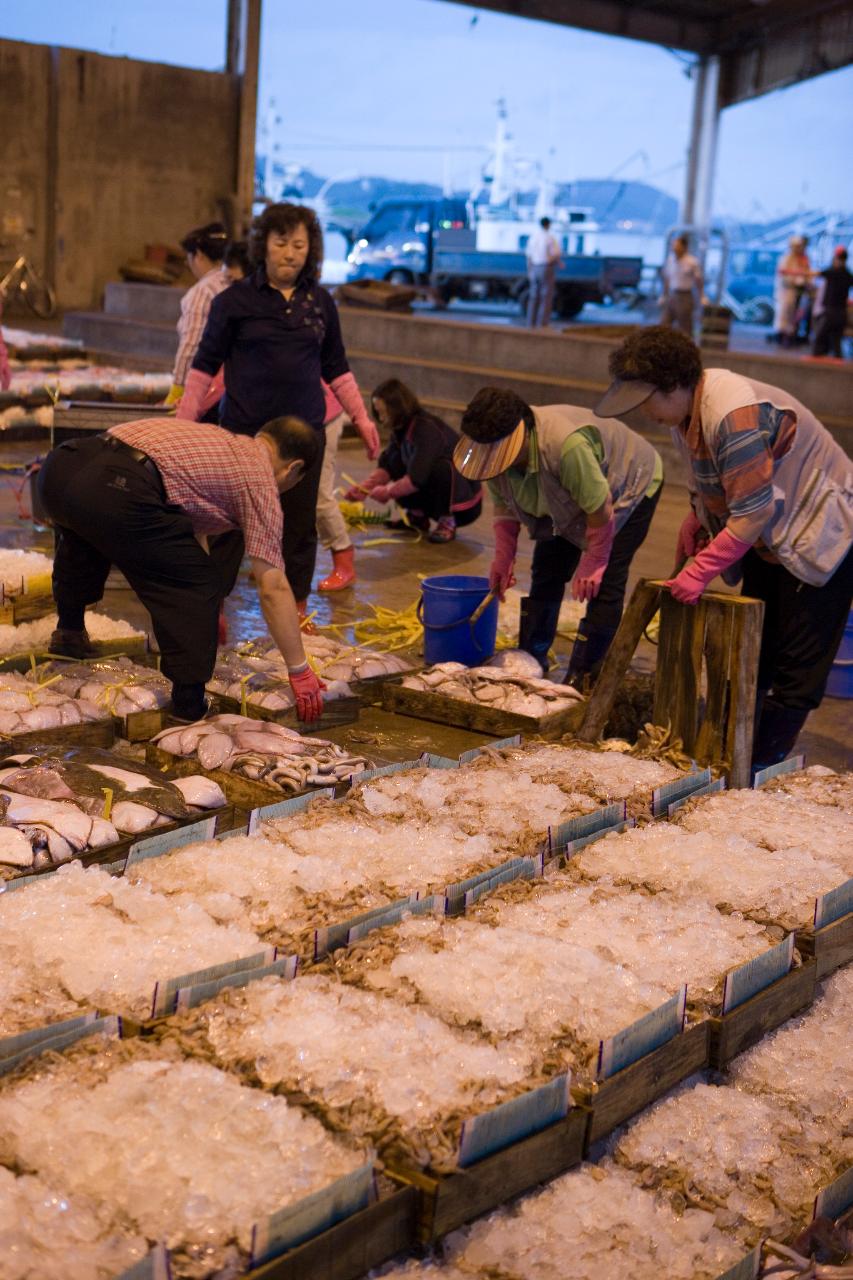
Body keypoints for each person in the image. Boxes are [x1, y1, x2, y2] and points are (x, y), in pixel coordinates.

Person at [597, 325, 853, 770]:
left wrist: (700, 571)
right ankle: (731, 754)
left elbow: (752, 513)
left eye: (646, 400)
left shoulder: (733, 415)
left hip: (820, 534)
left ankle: (752, 766)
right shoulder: (687, 413)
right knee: (756, 650)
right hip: (770, 537)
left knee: (796, 668)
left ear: (674, 385)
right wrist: (698, 517)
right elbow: (714, 481)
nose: (643, 413)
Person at [36, 416, 325, 724]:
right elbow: (272, 586)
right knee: (198, 583)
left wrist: (204, 616)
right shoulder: (260, 478)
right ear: (294, 469)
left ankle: (69, 633)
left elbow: (183, 536)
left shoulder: (221, 442)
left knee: (87, 535)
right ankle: (188, 707)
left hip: (60, 470)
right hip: (116, 486)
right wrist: (299, 668)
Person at [176, 203, 380, 624]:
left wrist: (363, 418)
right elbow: (203, 366)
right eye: (281, 242)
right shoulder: (234, 301)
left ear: (311, 249)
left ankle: (298, 614)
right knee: (227, 527)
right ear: (263, 245)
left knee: (299, 530)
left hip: (304, 437)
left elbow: (336, 367)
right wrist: (183, 426)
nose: (290, 253)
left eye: (299, 244)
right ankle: (210, 611)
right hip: (243, 436)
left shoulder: (321, 303)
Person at [454, 387, 663, 684]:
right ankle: (531, 657)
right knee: (547, 570)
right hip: (568, 498)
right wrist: (503, 557)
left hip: (627, 482)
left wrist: (594, 559)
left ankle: (586, 673)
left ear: (520, 436)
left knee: (604, 581)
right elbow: (504, 506)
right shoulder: (493, 456)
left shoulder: (565, 446)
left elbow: (599, 507)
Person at [347, 379, 482, 543]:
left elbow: (418, 476)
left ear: (396, 408)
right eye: (378, 413)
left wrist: (388, 492)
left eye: (384, 413)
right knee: (400, 463)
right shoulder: (401, 429)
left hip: (464, 504)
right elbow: (389, 465)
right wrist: (364, 488)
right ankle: (418, 516)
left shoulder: (426, 429)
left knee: (439, 469)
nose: (381, 418)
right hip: (434, 495)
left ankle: (447, 521)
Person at [164, 222, 230, 409]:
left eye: (189, 258)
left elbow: (192, 344)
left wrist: (178, 388)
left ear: (198, 255)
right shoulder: (237, 285)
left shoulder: (203, 291)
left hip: (207, 388)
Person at [315, 381, 357, 591]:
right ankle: (278, 560)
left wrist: (362, 420)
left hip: (321, 414)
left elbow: (340, 372)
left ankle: (344, 560)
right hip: (284, 411)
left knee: (319, 495)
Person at [812, 245, 853, 358]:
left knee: (820, 336)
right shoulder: (848, 274)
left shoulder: (834, 272)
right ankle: (837, 357)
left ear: (837, 259)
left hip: (831, 310)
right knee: (836, 338)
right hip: (841, 311)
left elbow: (816, 273)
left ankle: (817, 356)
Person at [773, 235, 813, 347]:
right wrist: (795, 281)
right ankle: (781, 336)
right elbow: (783, 275)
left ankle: (791, 336)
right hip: (787, 291)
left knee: (796, 316)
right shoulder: (786, 258)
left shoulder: (804, 259)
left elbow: (807, 274)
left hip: (799, 292)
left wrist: (806, 282)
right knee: (784, 314)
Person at [660, 234, 703, 335]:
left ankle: (688, 348)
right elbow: (667, 278)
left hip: (685, 296)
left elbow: (698, 280)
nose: (674, 248)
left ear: (684, 247)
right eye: (674, 245)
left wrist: (702, 296)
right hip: (672, 294)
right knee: (664, 323)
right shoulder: (670, 259)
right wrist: (664, 295)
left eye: (677, 245)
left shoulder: (692, 262)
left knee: (685, 326)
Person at [526, 217, 561, 328]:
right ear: (548, 225)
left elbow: (529, 255)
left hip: (534, 267)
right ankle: (543, 323)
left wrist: (530, 270)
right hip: (546, 267)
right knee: (546, 296)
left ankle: (530, 323)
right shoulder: (550, 238)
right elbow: (556, 253)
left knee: (534, 296)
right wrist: (557, 261)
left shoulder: (534, 237)